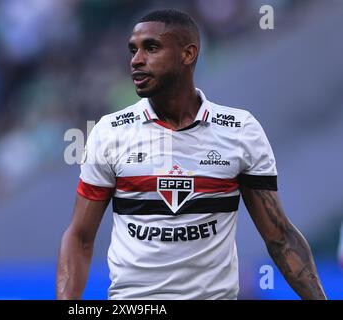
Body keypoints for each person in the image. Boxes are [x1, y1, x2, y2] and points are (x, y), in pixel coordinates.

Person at [56, 9, 326, 300]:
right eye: (133, 50)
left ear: (188, 54)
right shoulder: (110, 132)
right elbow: (80, 237)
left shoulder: (240, 130)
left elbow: (279, 236)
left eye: (152, 47)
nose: (136, 60)